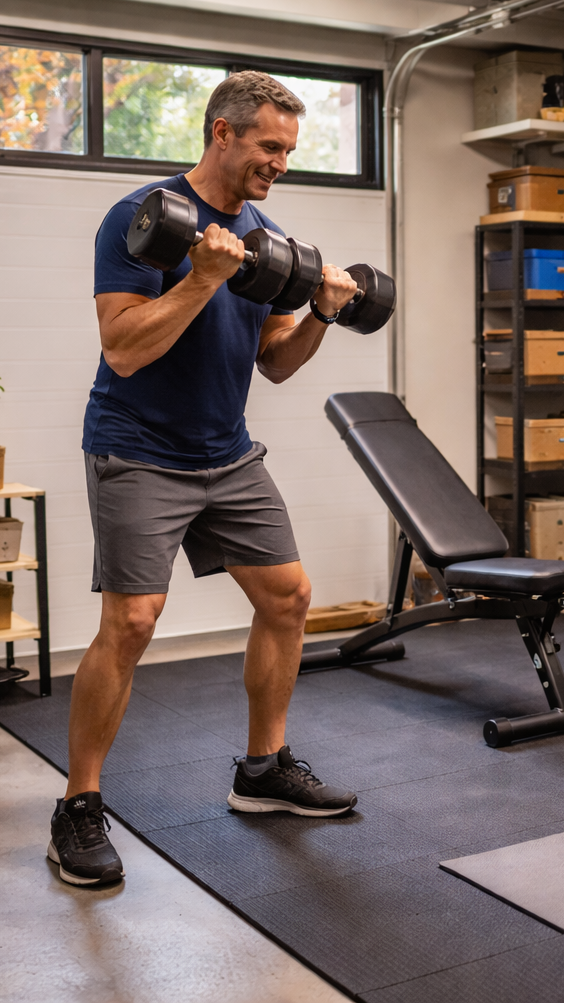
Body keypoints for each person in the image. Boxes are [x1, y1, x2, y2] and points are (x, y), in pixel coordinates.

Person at [48, 72, 362, 887]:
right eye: (268, 147)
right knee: (134, 622)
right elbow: (123, 347)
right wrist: (199, 278)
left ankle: (262, 770)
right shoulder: (140, 217)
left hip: (227, 452)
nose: (279, 163)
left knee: (288, 597)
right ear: (221, 134)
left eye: (288, 150)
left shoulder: (273, 240)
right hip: (137, 448)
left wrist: (323, 311)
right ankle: (79, 805)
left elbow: (278, 364)